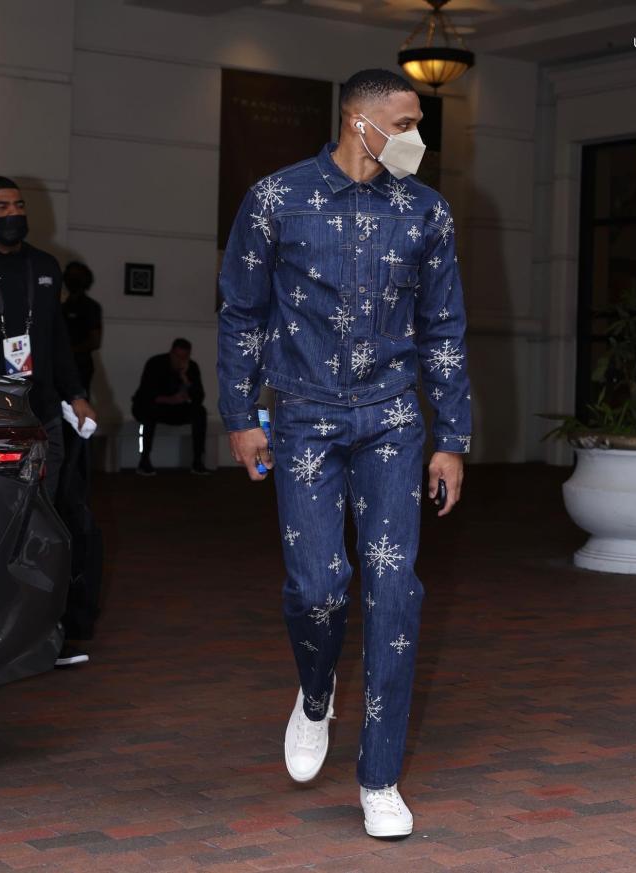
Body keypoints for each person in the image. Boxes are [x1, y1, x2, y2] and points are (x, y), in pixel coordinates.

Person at [217, 69, 471, 838]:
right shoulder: (276, 198)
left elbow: (444, 330)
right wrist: (241, 414)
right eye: (406, 124)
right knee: (318, 587)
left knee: (395, 593)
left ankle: (380, 778)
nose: (417, 139)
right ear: (360, 123)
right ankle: (316, 690)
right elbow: (241, 312)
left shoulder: (427, 212)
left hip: (393, 418)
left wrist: (452, 439)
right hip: (304, 416)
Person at [0, 175, 97, 668]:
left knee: (42, 526)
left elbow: (55, 342)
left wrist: (77, 395)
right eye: (0, 207)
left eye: (17, 205)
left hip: (43, 415)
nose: (12, 213)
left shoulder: (45, 266)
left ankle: (41, 640)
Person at [132, 338, 210, 476]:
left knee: (200, 412)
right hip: (152, 407)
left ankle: (198, 461)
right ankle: (144, 461)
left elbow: (199, 398)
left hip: (175, 410)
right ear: (171, 353)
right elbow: (146, 395)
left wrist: (185, 379)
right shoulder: (156, 363)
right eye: (177, 356)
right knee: (149, 411)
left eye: (184, 357)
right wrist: (170, 399)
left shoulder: (191, 367)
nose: (180, 360)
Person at [62, 261, 102, 398]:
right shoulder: (61, 306)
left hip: (80, 364)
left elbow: (95, 341)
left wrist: (69, 351)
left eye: (76, 276)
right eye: (69, 276)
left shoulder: (90, 307)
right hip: (60, 364)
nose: (71, 280)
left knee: (80, 400)